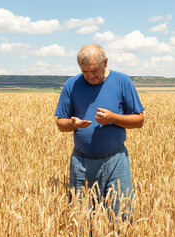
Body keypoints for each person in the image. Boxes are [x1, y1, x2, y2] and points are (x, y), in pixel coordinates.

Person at [55, 44, 144, 220]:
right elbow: (60, 123)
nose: (90, 76)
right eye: (85, 71)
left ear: (105, 62)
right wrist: (74, 124)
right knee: (82, 220)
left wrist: (113, 118)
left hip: (116, 160)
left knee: (122, 217)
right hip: (81, 163)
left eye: (94, 70)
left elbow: (139, 120)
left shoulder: (122, 81)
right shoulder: (71, 85)